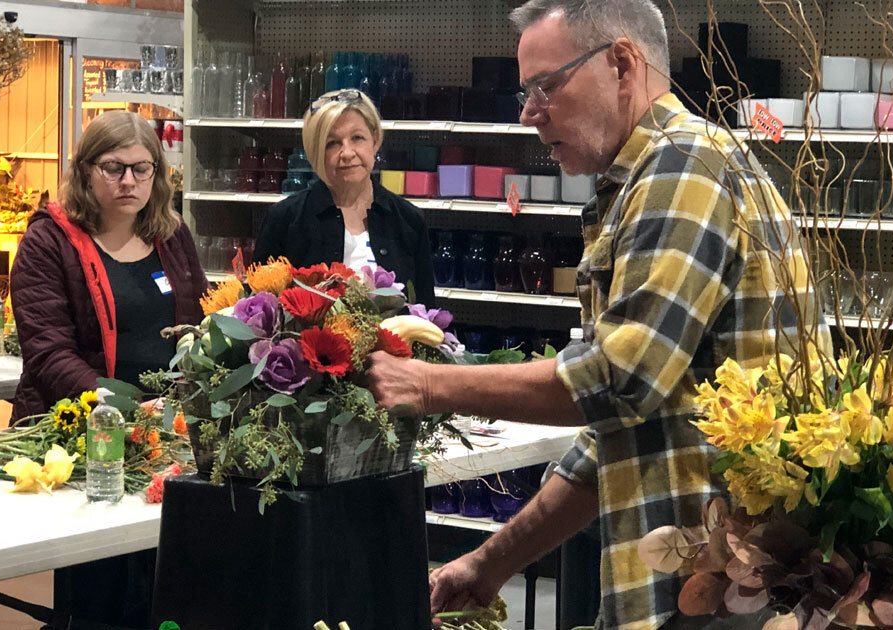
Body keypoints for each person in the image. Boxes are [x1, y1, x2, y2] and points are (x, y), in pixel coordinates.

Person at [365, 2, 830, 629]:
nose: (529, 112)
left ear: (621, 63)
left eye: (545, 86)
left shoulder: (680, 168)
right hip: (717, 585)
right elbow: (614, 432)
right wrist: (489, 562)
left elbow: (616, 379)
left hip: (722, 594)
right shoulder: (658, 173)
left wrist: (427, 384)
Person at [11, 109, 208, 421]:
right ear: (85, 171)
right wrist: (119, 408)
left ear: (155, 173)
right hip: (72, 428)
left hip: (166, 427)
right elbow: (48, 353)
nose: (128, 181)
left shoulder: (171, 233)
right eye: (113, 168)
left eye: (141, 168)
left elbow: (199, 322)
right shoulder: (48, 241)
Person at [253, 88, 435, 306]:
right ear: (315, 152)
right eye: (332, 143)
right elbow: (260, 308)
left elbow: (426, 312)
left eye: (357, 138)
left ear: (374, 140)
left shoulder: (409, 219)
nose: (347, 153)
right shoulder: (283, 219)